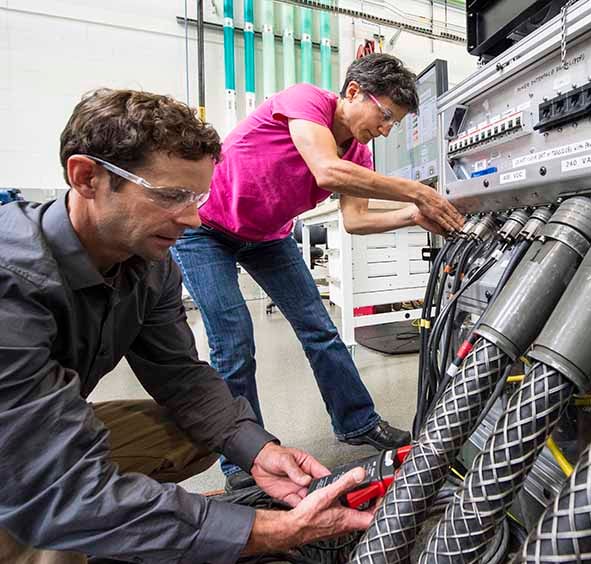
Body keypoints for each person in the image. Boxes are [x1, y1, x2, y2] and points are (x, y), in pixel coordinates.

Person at [0, 89, 375, 564]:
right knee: (47, 536)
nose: (194, 218)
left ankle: (120, 522)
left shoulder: (147, 264)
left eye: (197, 196)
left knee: (195, 431)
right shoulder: (11, 279)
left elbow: (181, 377)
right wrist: (268, 530)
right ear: (87, 177)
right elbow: (54, 485)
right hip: (14, 448)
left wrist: (258, 451)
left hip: (25, 428)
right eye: (171, 196)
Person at [171, 53, 465, 489]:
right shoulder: (306, 100)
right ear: (352, 92)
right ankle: (241, 460)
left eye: (394, 124)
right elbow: (327, 172)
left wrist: (410, 215)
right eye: (385, 116)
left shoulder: (360, 155)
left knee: (319, 329)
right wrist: (418, 191)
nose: (386, 129)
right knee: (233, 341)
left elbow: (356, 221)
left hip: (268, 236)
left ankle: (357, 421)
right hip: (205, 229)